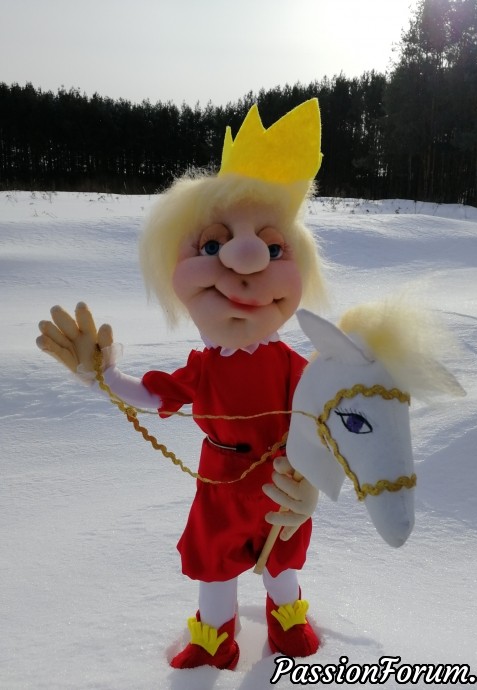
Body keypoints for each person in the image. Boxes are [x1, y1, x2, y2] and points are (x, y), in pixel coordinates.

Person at [37, 99, 328, 670]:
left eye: (272, 248)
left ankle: (287, 618)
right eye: (213, 246)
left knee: (282, 561)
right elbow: (156, 393)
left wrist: (315, 477)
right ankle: (215, 636)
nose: (245, 260)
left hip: (281, 482)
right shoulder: (204, 367)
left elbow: (325, 417)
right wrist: (104, 376)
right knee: (214, 566)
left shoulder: (293, 365)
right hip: (218, 483)